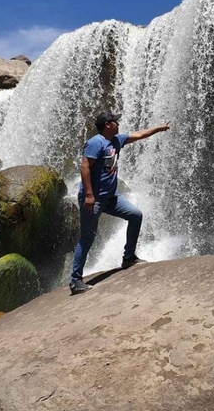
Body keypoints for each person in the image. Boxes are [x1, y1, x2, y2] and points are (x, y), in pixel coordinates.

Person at [69, 111, 171, 295]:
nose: (118, 123)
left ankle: (129, 257)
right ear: (108, 125)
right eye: (115, 121)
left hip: (111, 197)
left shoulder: (116, 140)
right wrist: (89, 195)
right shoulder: (95, 143)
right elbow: (84, 167)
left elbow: (138, 134)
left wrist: (158, 128)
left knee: (135, 215)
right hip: (94, 199)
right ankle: (75, 280)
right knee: (87, 238)